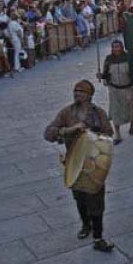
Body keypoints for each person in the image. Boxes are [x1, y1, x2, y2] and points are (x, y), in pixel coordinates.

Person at [43, 80, 116, 252]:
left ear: (89, 94)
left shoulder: (98, 113)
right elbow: (48, 133)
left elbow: (109, 134)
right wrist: (69, 130)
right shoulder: (67, 112)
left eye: (81, 91)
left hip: (94, 164)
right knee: (80, 198)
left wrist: (92, 135)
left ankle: (98, 237)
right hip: (74, 162)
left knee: (96, 200)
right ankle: (85, 224)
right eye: (75, 91)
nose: (77, 94)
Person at [97, 41, 133, 145]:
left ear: (122, 47)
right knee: (115, 111)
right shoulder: (109, 59)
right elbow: (105, 74)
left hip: (127, 88)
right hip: (114, 89)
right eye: (114, 47)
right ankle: (117, 134)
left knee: (129, 108)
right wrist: (101, 76)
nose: (116, 49)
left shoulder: (128, 58)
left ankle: (132, 122)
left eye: (118, 47)